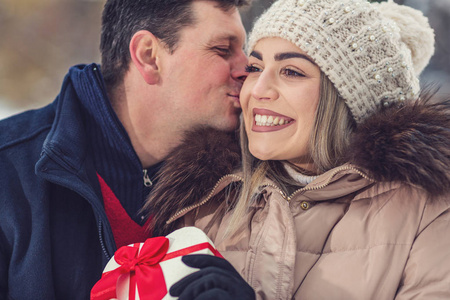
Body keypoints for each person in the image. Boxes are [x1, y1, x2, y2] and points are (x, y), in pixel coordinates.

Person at [144, 0, 450, 299]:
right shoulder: (203, 200)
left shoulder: (428, 212)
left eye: (291, 71)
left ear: (346, 99)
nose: (257, 89)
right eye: (255, 67)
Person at [0, 0, 249, 298]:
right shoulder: (8, 171)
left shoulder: (244, 184)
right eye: (223, 49)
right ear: (149, 56)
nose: (247, 68)